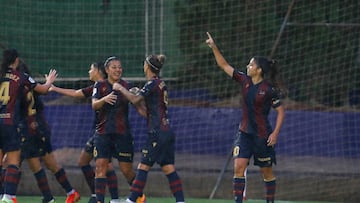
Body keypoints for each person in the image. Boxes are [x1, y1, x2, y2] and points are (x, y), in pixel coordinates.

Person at [205, 32, 286, 203]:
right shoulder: (244, 80)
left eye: (251, 64)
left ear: (259, 70)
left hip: (262, 136)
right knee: (238, 167)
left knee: (267, 173)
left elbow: (281, 112)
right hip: (244, 133)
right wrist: (214, 47)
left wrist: (275, 134)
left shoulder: (268, 90)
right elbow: (224, 65)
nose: (247, 66)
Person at [112, 54, 186, 203]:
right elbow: (146, 112)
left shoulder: (152, 84)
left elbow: (134, 99)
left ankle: (131, 200)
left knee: (143, 166)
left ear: (147, 66)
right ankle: (181, 201)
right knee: (168, 168)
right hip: (166, 131)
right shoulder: (160, 84)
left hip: (157, 132)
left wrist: (121, 88)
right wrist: (136, 97)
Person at [49, 62, 120, 203]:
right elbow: (76, 94)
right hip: (99, 132)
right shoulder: (96, 87)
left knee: (107, 165)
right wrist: (54, 88)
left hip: (108, 132)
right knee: (84, 161)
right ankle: (96, 194)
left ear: (98, 71)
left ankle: (115, 199)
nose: (89, 71)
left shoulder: (108, 86)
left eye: (91, 69)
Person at [17, 61, 80, 203]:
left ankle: (8, 195)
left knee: (15, 163)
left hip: (32, 129)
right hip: (36, 128)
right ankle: (64, 194)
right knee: (43, 163)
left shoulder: (18, 86)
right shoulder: (29, 85)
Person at [0, 49, 57, 203]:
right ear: (16, 60)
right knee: (13, 159)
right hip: (10, 122)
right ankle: (9, 196)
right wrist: (49, 81)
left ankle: (1, 195)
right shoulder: (21, 77)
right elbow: (44, 90)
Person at [91, 56, 139, 203]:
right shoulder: (100, 86)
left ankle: (139, 196)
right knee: (100, 166)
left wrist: (129, 91)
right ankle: (100, 200)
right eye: (114, 67)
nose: (118, 70)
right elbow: (94, 105)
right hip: (103, 133)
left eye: (120, 67)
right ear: (107, 70)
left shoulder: (126, 85)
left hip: (122, 134)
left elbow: (135, 98)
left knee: (126, 170)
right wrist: (104, 99)